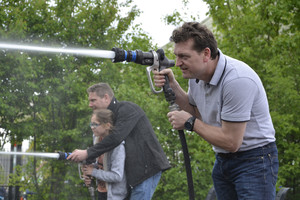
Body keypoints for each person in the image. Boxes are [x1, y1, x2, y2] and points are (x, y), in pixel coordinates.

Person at [153, 22, 279, 200]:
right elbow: (196, 112)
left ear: (206, 54)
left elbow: (231, 141)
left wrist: (189, 123)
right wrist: (172, 86)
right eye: (176, 56)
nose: (178, 63)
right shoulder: (196, 76)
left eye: (184, 56)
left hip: (254, 160)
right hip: (223, 159)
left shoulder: (237, 80)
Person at [68, 83, 170, 200]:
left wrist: (87, 152)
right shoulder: (108, 120)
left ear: (106, 97)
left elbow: (116, 138)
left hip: (146, 171)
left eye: (93, 100)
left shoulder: (127, 109)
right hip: (130, 175)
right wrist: (91, 170)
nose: (90, 105)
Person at [82, 109, 127, 200]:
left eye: (95, 124)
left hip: (114, 196)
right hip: (101, 192)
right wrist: (89, 170)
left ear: (107, 125)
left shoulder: (118, 147)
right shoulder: (97, 140)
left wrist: (93, 172)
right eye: (91, 124)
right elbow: (102, 165)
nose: (92, 127)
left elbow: (117, 176)